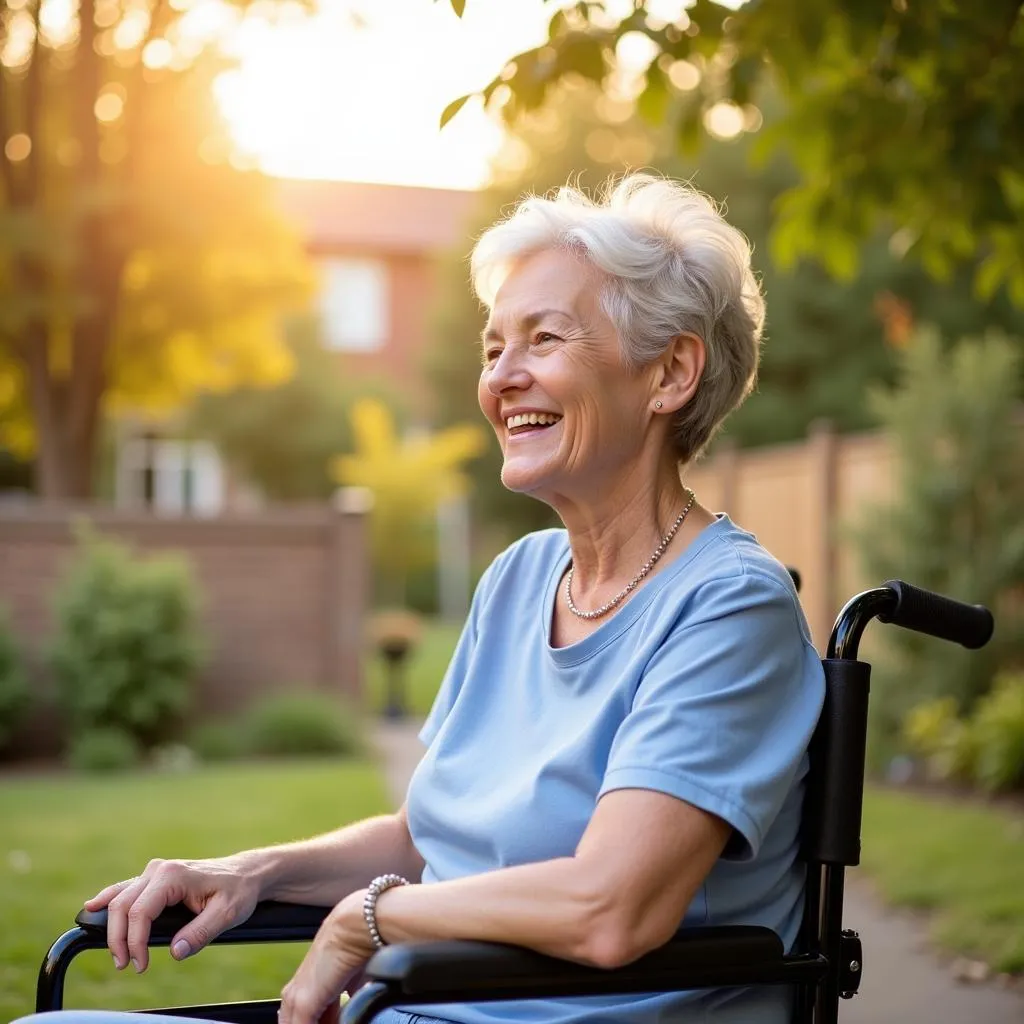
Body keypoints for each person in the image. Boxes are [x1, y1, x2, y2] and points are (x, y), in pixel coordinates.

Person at [16, 174, 825, 1024]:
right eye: (492, 348)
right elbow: (424, 835)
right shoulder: (520, 579)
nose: (502, 378)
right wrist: (251, 873)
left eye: (542, 339)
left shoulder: (729, 608)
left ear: (670, 373)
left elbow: (611, 909)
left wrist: (369, 921)